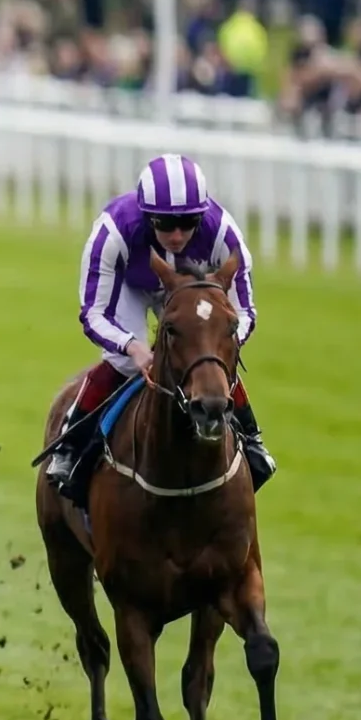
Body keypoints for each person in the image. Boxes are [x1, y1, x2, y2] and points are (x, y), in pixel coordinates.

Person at [41, 153, 271, 499]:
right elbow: (93, 313)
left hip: (191, 290)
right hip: (130, 288)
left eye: (188, 223)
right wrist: (133, 347)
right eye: (164, 224)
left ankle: (251, 438)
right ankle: (71, 445)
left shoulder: (223, 233)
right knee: (123, 363)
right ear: (147, 216)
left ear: (202, 215)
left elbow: (245, 311)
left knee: (208, 359)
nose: (176, 235)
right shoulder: (113, 231)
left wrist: (218, 344)